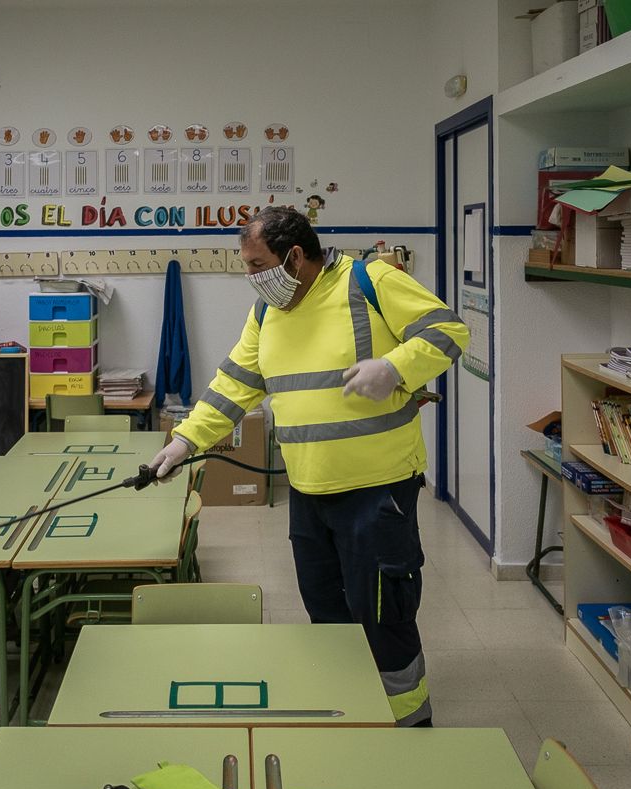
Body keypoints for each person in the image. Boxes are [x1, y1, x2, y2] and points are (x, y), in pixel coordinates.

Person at [148, 206, 469, 727]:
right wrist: (184, 441)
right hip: (309, 493)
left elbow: (449, 331)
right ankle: (350, 716)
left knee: (384, 616)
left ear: (294, 256)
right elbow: (234, 386)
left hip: (377, 490)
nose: (251, 278)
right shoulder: (265, 315)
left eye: (257, 265)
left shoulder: (369, 282)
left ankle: (410, 727)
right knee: (326, 614)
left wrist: (394, 366)